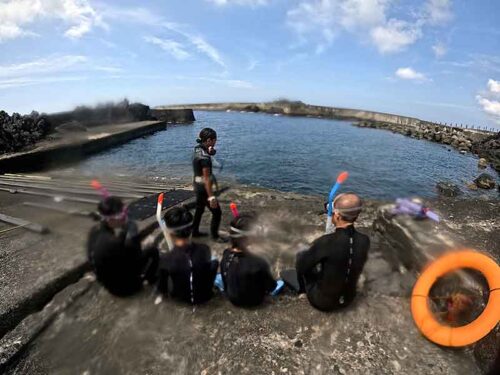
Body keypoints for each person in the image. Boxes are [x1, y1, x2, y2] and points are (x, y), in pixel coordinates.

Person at [289, 193, 370, 311]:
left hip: (323, 302)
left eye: (331, 212)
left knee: (301, 257)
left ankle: (302, 291)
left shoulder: (325, 242)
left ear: (337, 216)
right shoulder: (365, 240)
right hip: (348, 300)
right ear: (356, 216)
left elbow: (302, 267)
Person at [87, 196, 159, 297]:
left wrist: (124, 235)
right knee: (152, 250)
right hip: (124, 289)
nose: (124, 218)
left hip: (107, 283)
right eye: (122, 215)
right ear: (112, 219)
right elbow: (135, 259)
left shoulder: (95, 231)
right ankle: (150, 280)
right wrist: (133, 237)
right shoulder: (113, 243)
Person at [157, 206, 218, 305]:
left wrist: (163, 294)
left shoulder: (165, 258)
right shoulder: (204, 249)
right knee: (214, 261)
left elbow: (162, 286)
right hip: (205, 296)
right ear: (191, 229)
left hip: (180, 299)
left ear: (169, 232)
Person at [221, 213, 277, 307]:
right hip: (254, 301)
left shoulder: (226, 254)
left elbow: (224, 279)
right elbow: (271, 287)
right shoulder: (259, 262)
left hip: (232, 298)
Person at [191, 127, 226, 242]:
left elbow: (209, 151)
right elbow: (206, 178)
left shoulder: (198, 149)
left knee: (199, 209)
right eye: (214, 140)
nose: (216, 142)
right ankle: (215, 236)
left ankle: (194, 232)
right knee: (217, 212)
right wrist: (211, 197)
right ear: (209, 140)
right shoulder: (205, 158)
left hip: (197, 184)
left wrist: (211, 151)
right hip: (204, 188)